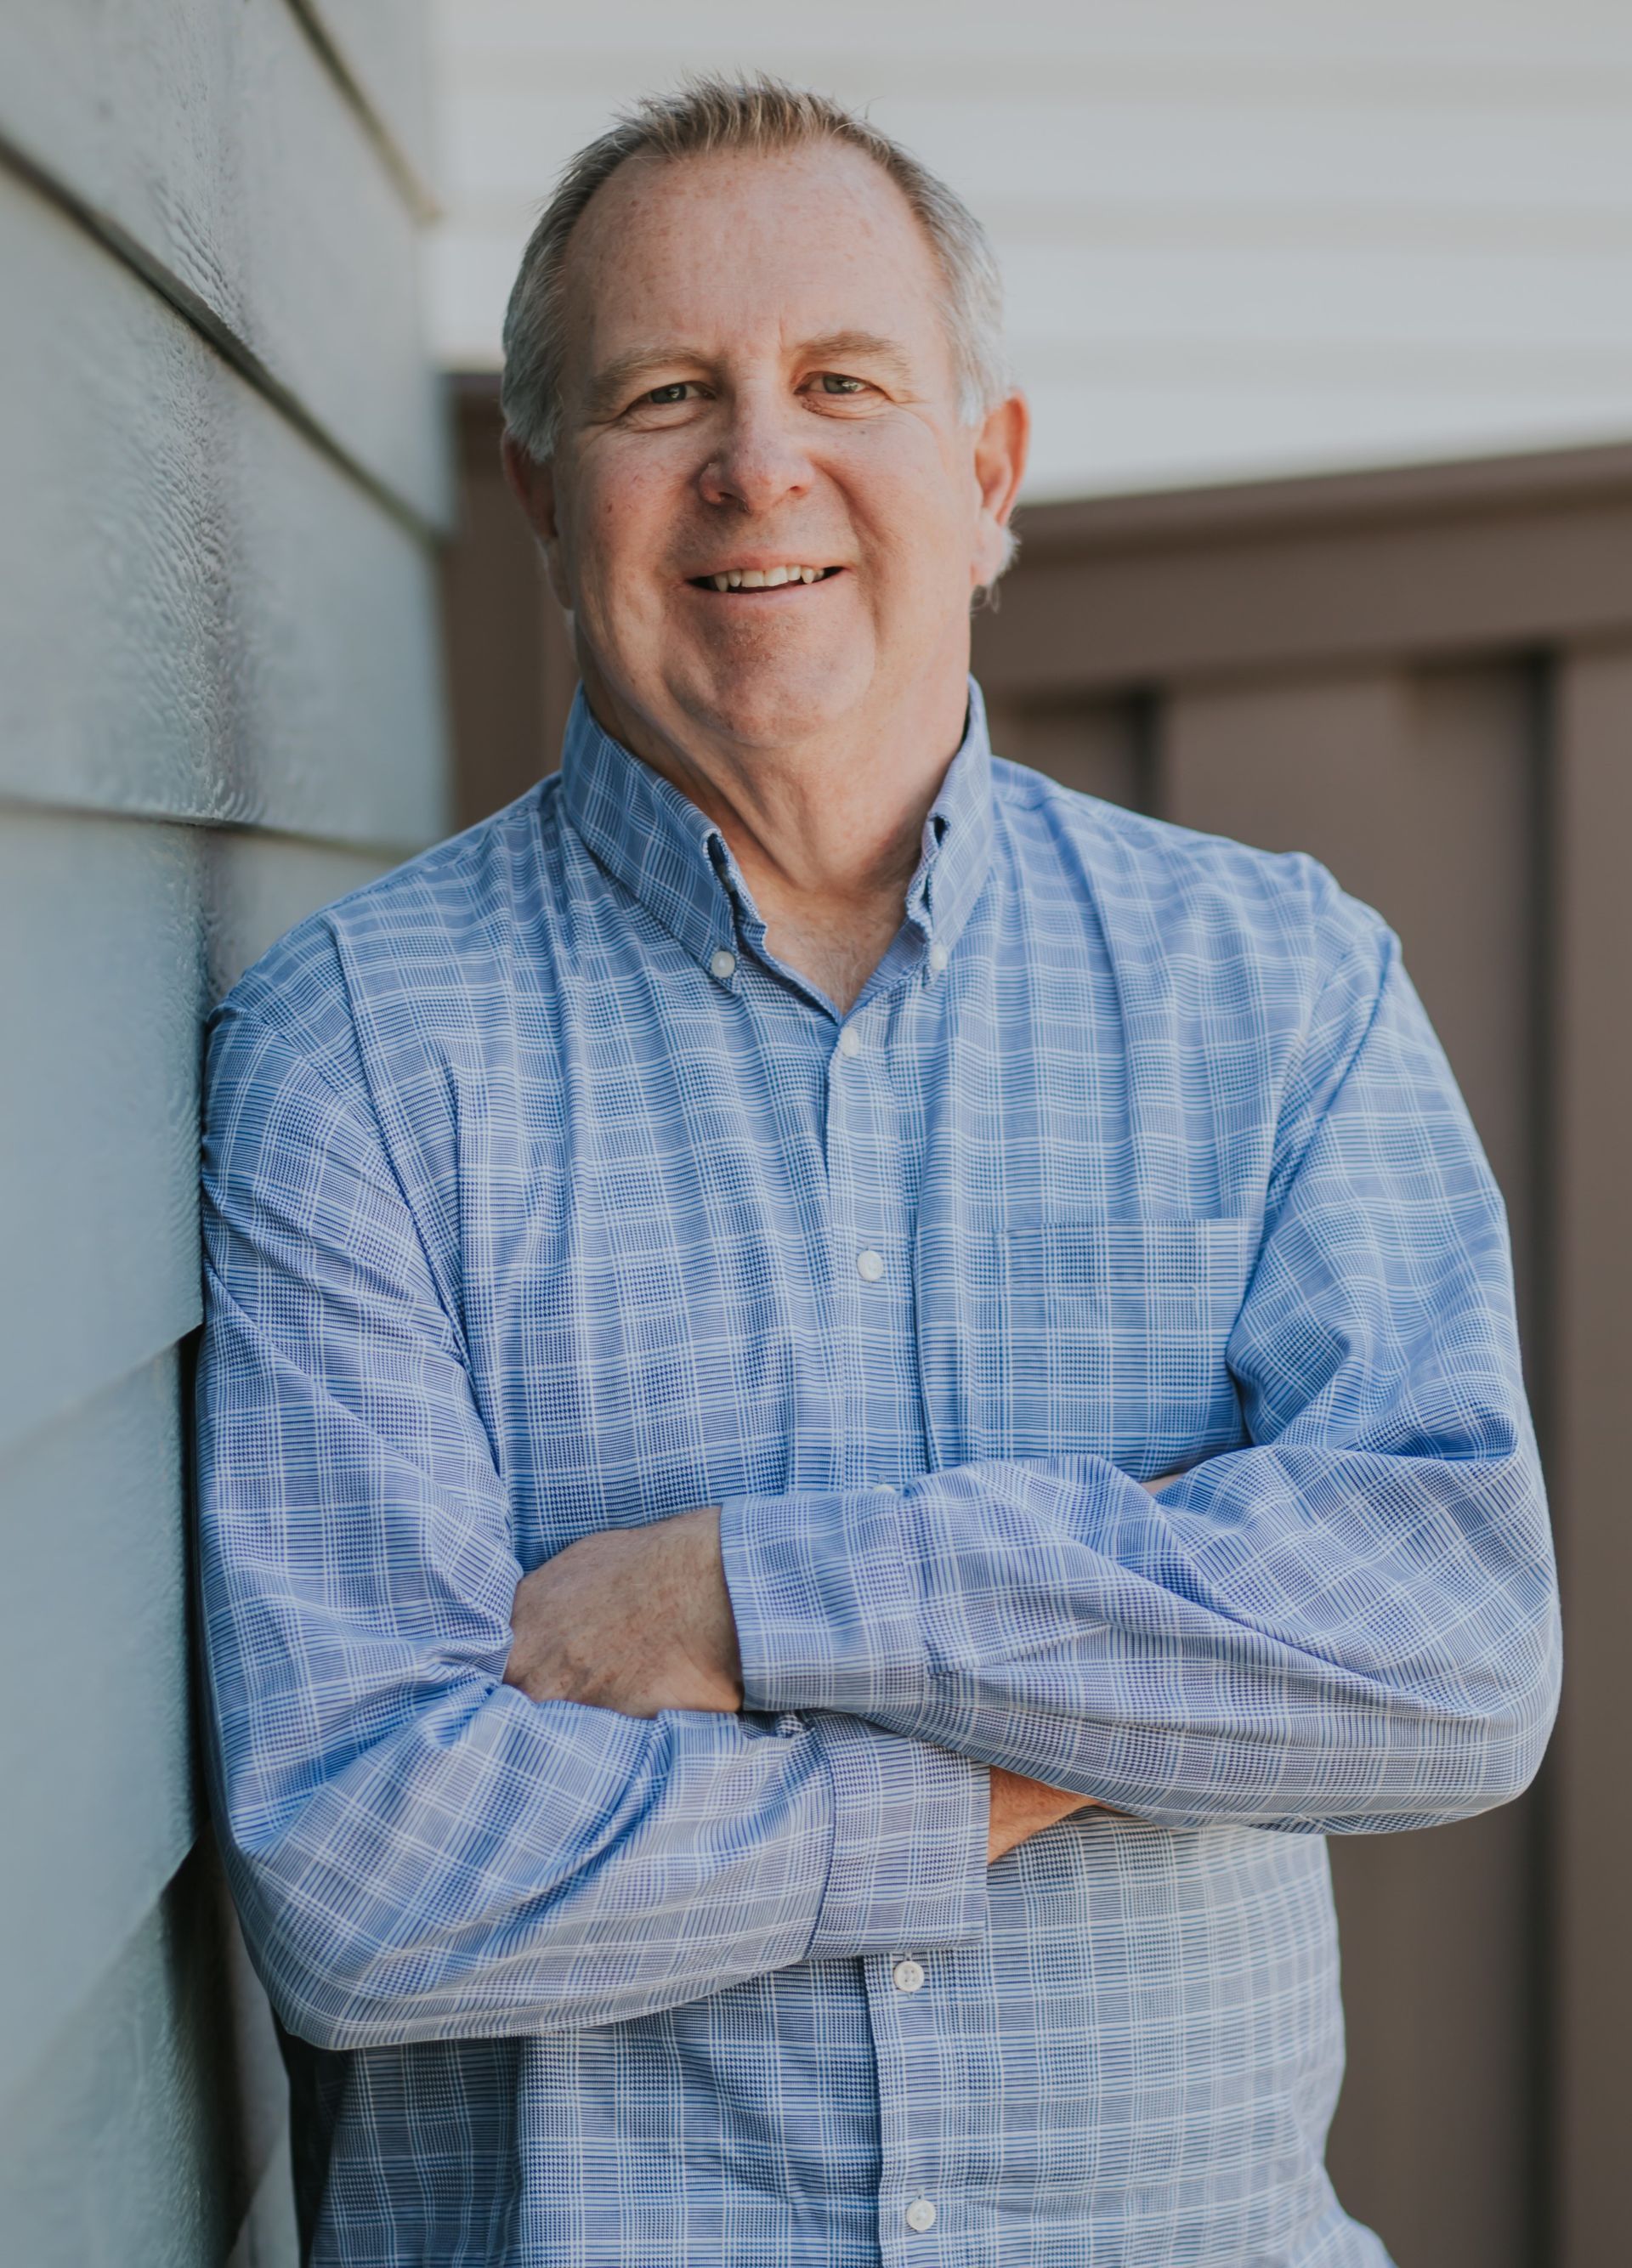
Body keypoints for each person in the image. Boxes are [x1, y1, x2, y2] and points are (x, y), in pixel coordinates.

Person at [196, 76, 1561, 2268]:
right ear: (547, 496)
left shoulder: (1274, 986)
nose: (762, 463)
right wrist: (1015, 1766)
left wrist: (746, 1598)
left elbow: (1453, 1643)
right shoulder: (361, 1057)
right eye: (669, 395)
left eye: (845, 379)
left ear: (989, 470)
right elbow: (368, 1872)